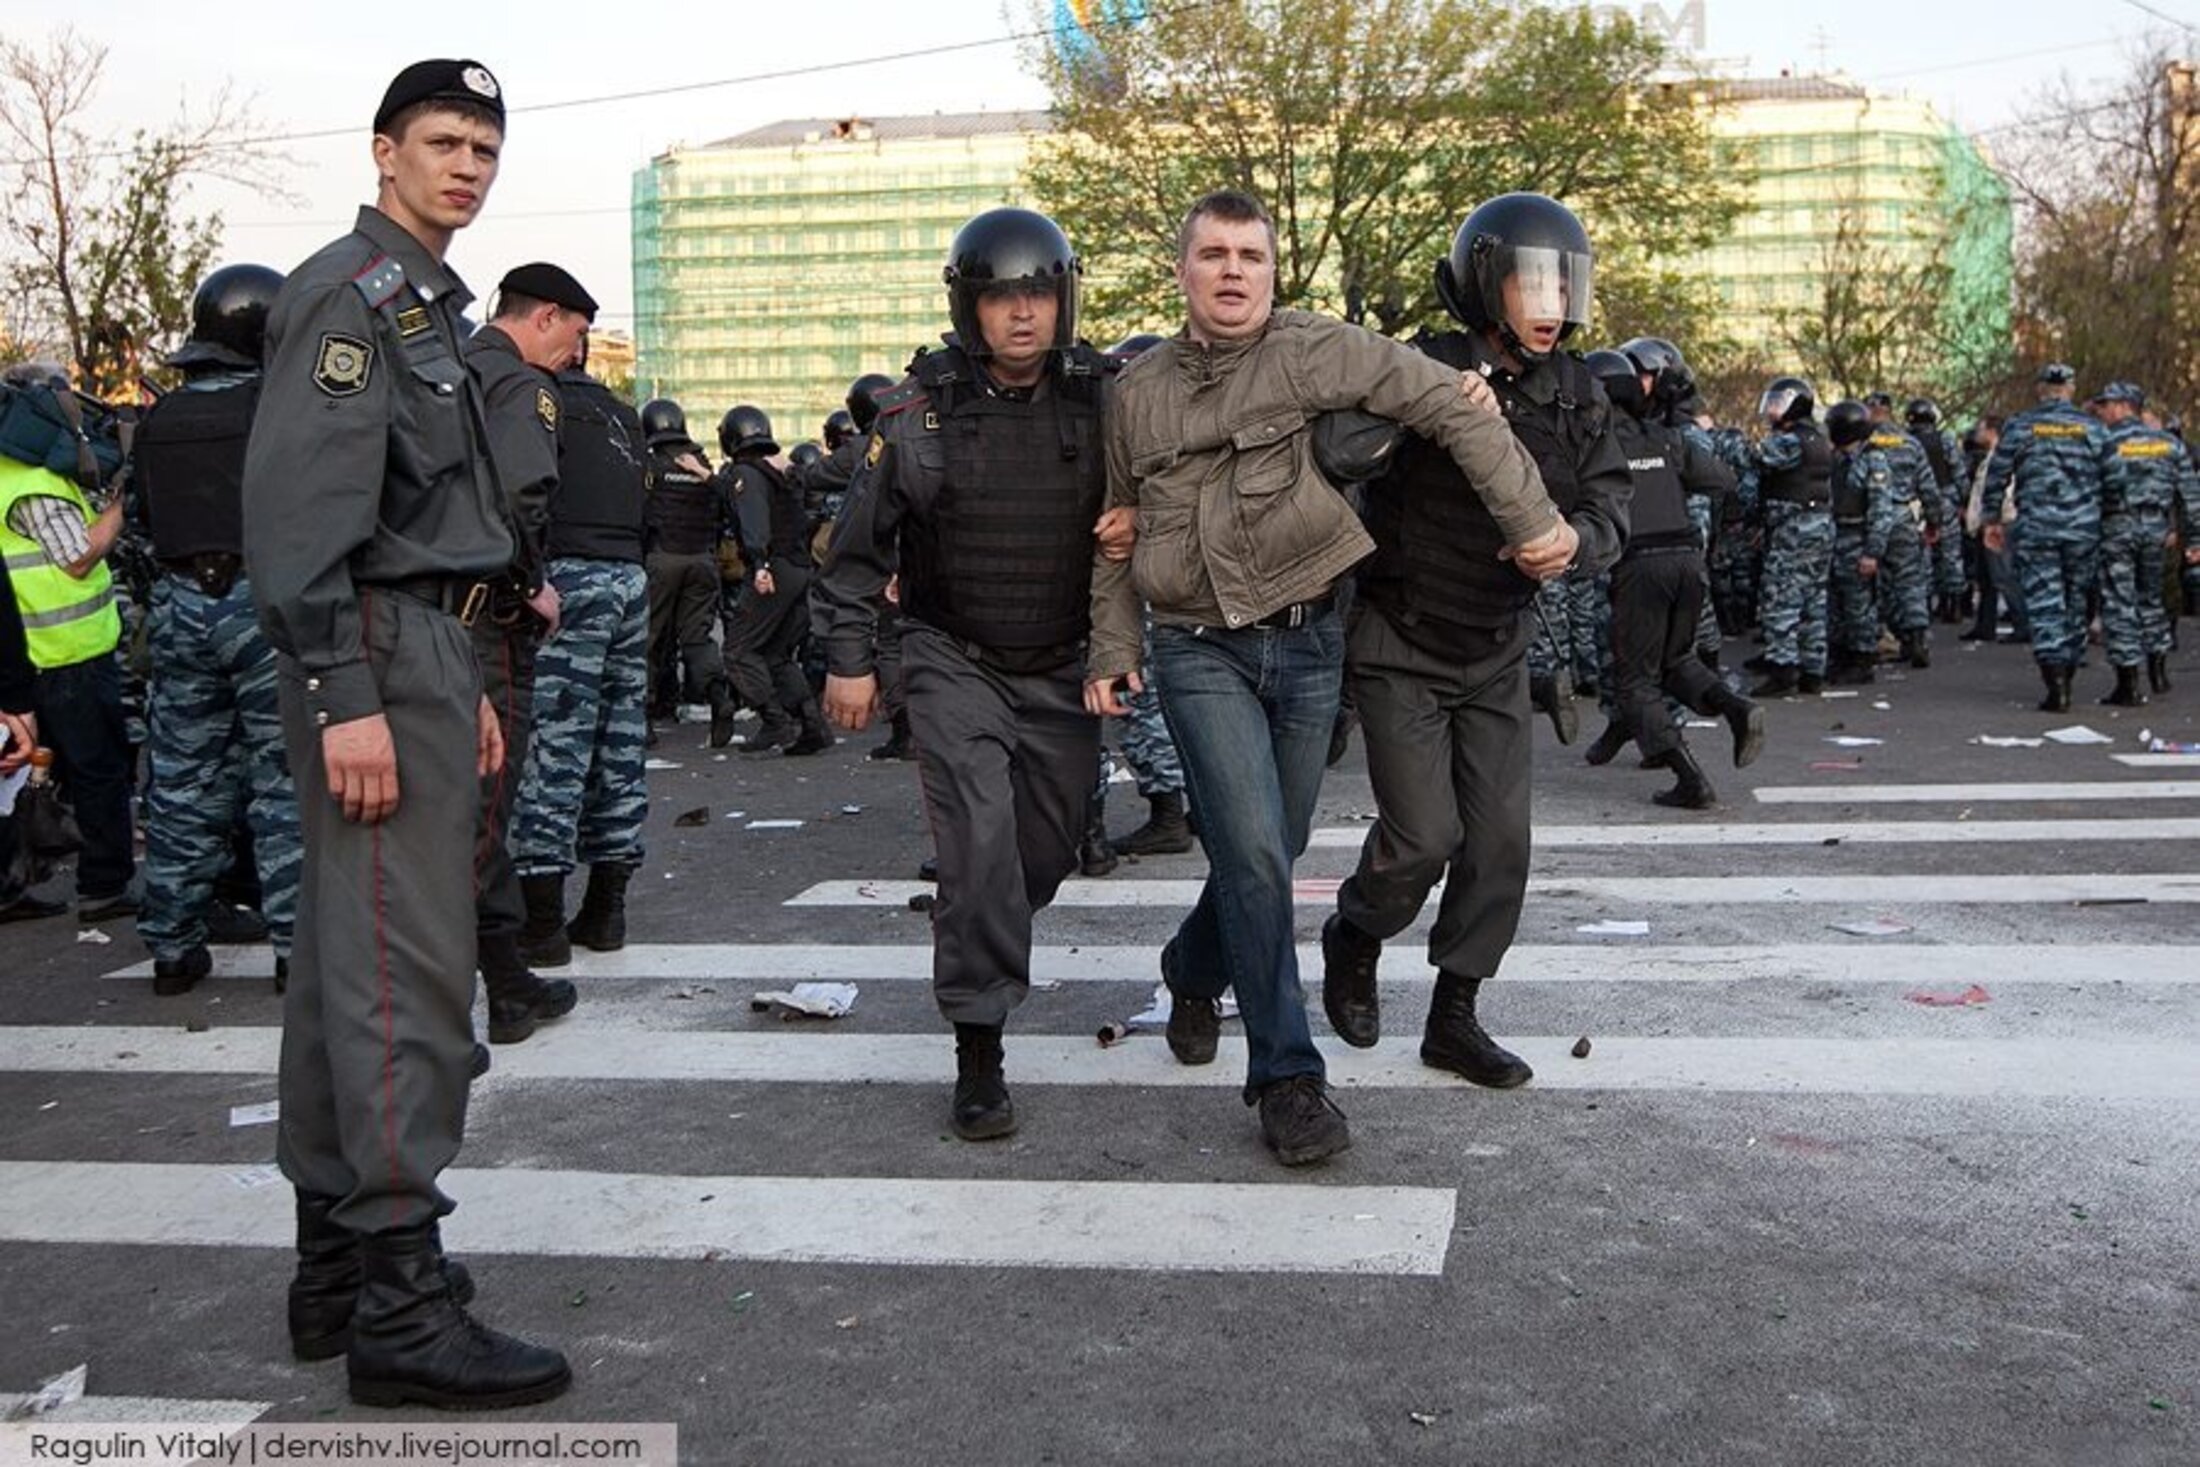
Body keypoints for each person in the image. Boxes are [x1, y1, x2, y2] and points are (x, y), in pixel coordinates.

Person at [1088, 189, 1566, 1167]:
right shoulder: (1135, 393)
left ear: (1273, 272)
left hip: (1308, 646)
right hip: (1199, 647)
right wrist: (1113, 647)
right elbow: (1114, 526)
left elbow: (1447, 402)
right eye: (1213, 254)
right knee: (1257, 858)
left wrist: (1534, 524)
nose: (1231, 271)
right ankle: (1288, 1080)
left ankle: (1191, 967)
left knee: (1274, 844)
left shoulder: (1317, 349)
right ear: (1182, 271)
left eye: (1249, 256)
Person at [239, 57, 568, 1411]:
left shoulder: (422, 304)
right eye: (443, 142)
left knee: (345, 970)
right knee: (405, 975)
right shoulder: (352, 297)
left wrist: (461, 676)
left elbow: (428, 516)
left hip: (422, 647)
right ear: (385, 151)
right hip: (376, 648)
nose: (466, 167)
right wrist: (348, 690)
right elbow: (301, 516)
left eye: (483, 148)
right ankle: (400, 1302)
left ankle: (334, 1271)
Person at [818, 207, 1127, 1142]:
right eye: (1001, 297)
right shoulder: (920, 415)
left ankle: (979, 920)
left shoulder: (1109, 400)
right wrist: (850, 662)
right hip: (955, 659)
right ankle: (979, 1045)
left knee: (1045, 851)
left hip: (1063, 666)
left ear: (1063, 299)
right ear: (970, 307)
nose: (1022, 314)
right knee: (978, 847)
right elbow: (856, 553)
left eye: (1037, 294)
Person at [1314, 194, 1627, 1105]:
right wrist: (1426, 409)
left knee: (1498, 844)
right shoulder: (1426, 361)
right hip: (1402, 637)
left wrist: (1573, 541)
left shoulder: (1578, 393)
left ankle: (1453, 1015)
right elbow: (1338, 449)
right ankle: (1354, 934)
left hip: (1495, 647)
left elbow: (1612, 508)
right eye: (1532, 283)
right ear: (1487, 285)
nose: (1550, 304)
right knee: (1422, 839)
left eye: (1562, 285)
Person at [128, 263, 303, 996]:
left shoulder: (159, 419)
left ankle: (172, 948)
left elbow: (140, 522)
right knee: (286, 779)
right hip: (264, 604)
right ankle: (295, 949)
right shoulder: (280, 409)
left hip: (179, 606)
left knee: (181, 781)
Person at [462, 262, 594, 1042]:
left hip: (419, 621)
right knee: (482, 810)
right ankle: (498, 993)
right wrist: (526, 584)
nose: (575, 356)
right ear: (544, 316)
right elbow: (520, 494)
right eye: (575, 335)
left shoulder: (447, 365)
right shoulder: (520, 386)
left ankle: (504, 977)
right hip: (485, 626)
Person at [513, 350, 651, 967]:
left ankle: (541, 921)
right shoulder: (622, 413)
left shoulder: (537, 404)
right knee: (619, 745)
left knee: (554, 747)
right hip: (628, 577)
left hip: (564, 578)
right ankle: (607, 908)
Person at [1578, 348, 1756, 808]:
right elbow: (1723, 480)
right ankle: (1736, 707)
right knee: (1676, 661)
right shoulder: (1667, 438)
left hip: (1640, 567)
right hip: (1687, 561)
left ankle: (1690, 779)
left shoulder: (1590, 443)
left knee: (1634, 682)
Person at [0, 364, 135, 924]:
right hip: (62, 654)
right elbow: (77, 558)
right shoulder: (30, 483)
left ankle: (13, 881)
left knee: (19, 776)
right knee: (97, 771)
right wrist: (123, 503)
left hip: (29, 654)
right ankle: (104, 883)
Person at [1979, 364, 2114, 712]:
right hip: (2083, 529)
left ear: (2041, 389)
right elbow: (2114, 477)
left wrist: (1991, 519)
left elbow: (1997, 473)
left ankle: (2056, 684)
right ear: (2071, 389)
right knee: (2076, 600)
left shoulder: (2021, 425)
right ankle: (2069, 667)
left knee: (2044, 603)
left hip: (2038, 527)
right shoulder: (2093, 428)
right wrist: (2108, 517)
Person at [718, 405, 832, 755]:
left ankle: (775, 721)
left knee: (738, 651)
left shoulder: (746, 474)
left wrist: (760, 564)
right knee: (774, 653)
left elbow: (755, 522)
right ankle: (812, 725)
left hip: (773, 569)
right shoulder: (777, 473)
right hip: (798, 567)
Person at [640, 397, 736, 744]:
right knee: (697, 638)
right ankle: (718, 697)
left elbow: (639, 512)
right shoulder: (701, 463)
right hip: (701, 559)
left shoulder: (650, 464)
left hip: (662, 559)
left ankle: (643, 720)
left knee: (647, 639)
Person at [2090, 381, 2188, 702]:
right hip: (2156, 527)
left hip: (2118, 526)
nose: (2101, 412)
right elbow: (2190, 494)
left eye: (2105, 405)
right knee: (2151, 598)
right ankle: (2158, 671)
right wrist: (2194, 537)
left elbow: (2091, 489)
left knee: (2119, 601)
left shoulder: (2105, 442)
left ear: (2123, 406)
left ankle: (2128, 681)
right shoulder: (2169, 444)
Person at [1747, 376, 1835, 697]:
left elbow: (1754, 456)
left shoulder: (1791, 442)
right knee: (1813, 601)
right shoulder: (1817, 439)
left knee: (1780, 597)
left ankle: (1782, 668)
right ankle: (1813, 670)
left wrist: (1725, 440)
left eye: (1776, 403)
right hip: (1818, 527)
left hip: (1794, 530)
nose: (1771, 410)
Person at [1823, 400, 1897, 686]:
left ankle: (1862, 659)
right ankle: (1841, 656)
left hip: (1857, 539)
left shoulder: (1872, 460)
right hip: (1835, 538)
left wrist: (1872, 552)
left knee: (1859, 605)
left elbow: (1881, 510)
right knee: (1836, 605)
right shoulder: (1836, 459)